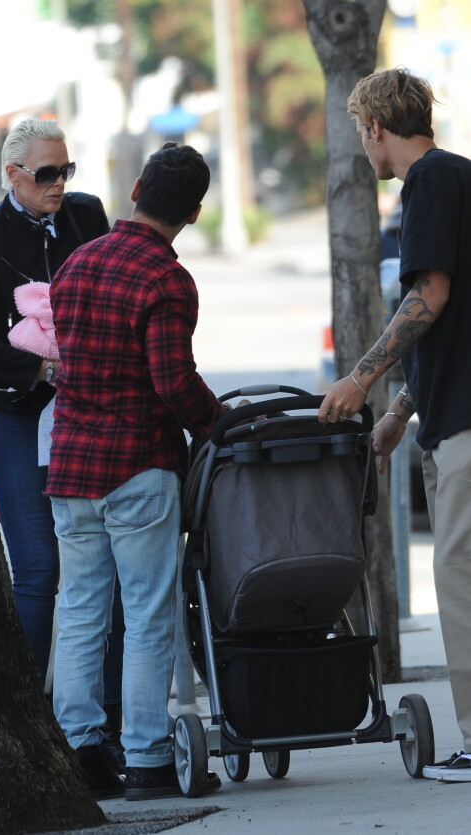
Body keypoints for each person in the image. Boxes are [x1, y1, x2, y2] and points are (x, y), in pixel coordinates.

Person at [45, 142, 224, 800]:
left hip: (71, 467)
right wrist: (216, 422)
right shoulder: (166, 279)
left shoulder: (76, 264)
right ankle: (147, 758)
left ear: (136, 188)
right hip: (137, 466)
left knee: (81, 610)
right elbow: (174, 382)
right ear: (196, 213)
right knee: (148, 614)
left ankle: (81, 752)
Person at [318, 67, 471, 782]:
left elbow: (430, 297)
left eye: (360, 133)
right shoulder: (455, 179)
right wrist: (400, 416)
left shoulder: (431, 183)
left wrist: (361, 379)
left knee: (458, 576)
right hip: (448, 410)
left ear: (376, 127)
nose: (363, 148)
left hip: (467, 423)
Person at [0, 120, 125, 771]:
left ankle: (105, 722)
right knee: (39, 569)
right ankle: (30, 721)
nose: (59, 185)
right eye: (45, 173)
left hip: (89, 413)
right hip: (20, 412)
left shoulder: (86, 215)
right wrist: (46, 369)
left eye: (66, 170)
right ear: (12, 174)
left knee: (101, 569)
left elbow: (116, 296)